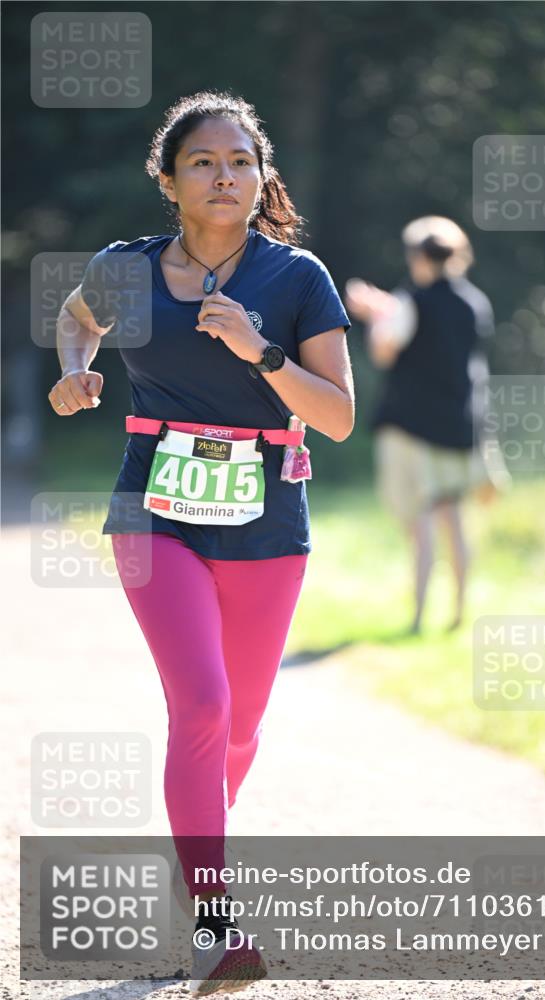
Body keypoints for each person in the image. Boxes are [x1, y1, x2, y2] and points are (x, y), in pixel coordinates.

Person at [48, 90, 354, 995]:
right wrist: (77, 370)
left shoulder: (297, 279)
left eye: (240, 162)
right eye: (203, 163)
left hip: (266, 516)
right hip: (155, 507)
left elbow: (337, 418)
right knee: (204, 702)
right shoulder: (125, 267)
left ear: (263, 178)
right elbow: (75, 319)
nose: (224, 177)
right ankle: (218, 925)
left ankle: (195, 853)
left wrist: (262, 354)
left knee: (240, 728)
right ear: (169, 180)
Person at [345, 216, 507, 634]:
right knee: (452, 519)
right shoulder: (476, 302)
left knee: (418, 523)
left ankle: (417, 615)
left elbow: (385, 352)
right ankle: (457, 611)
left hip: (411, 426)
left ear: (418, 256)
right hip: (460, 425)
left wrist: (376, 315)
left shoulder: (409, 301)